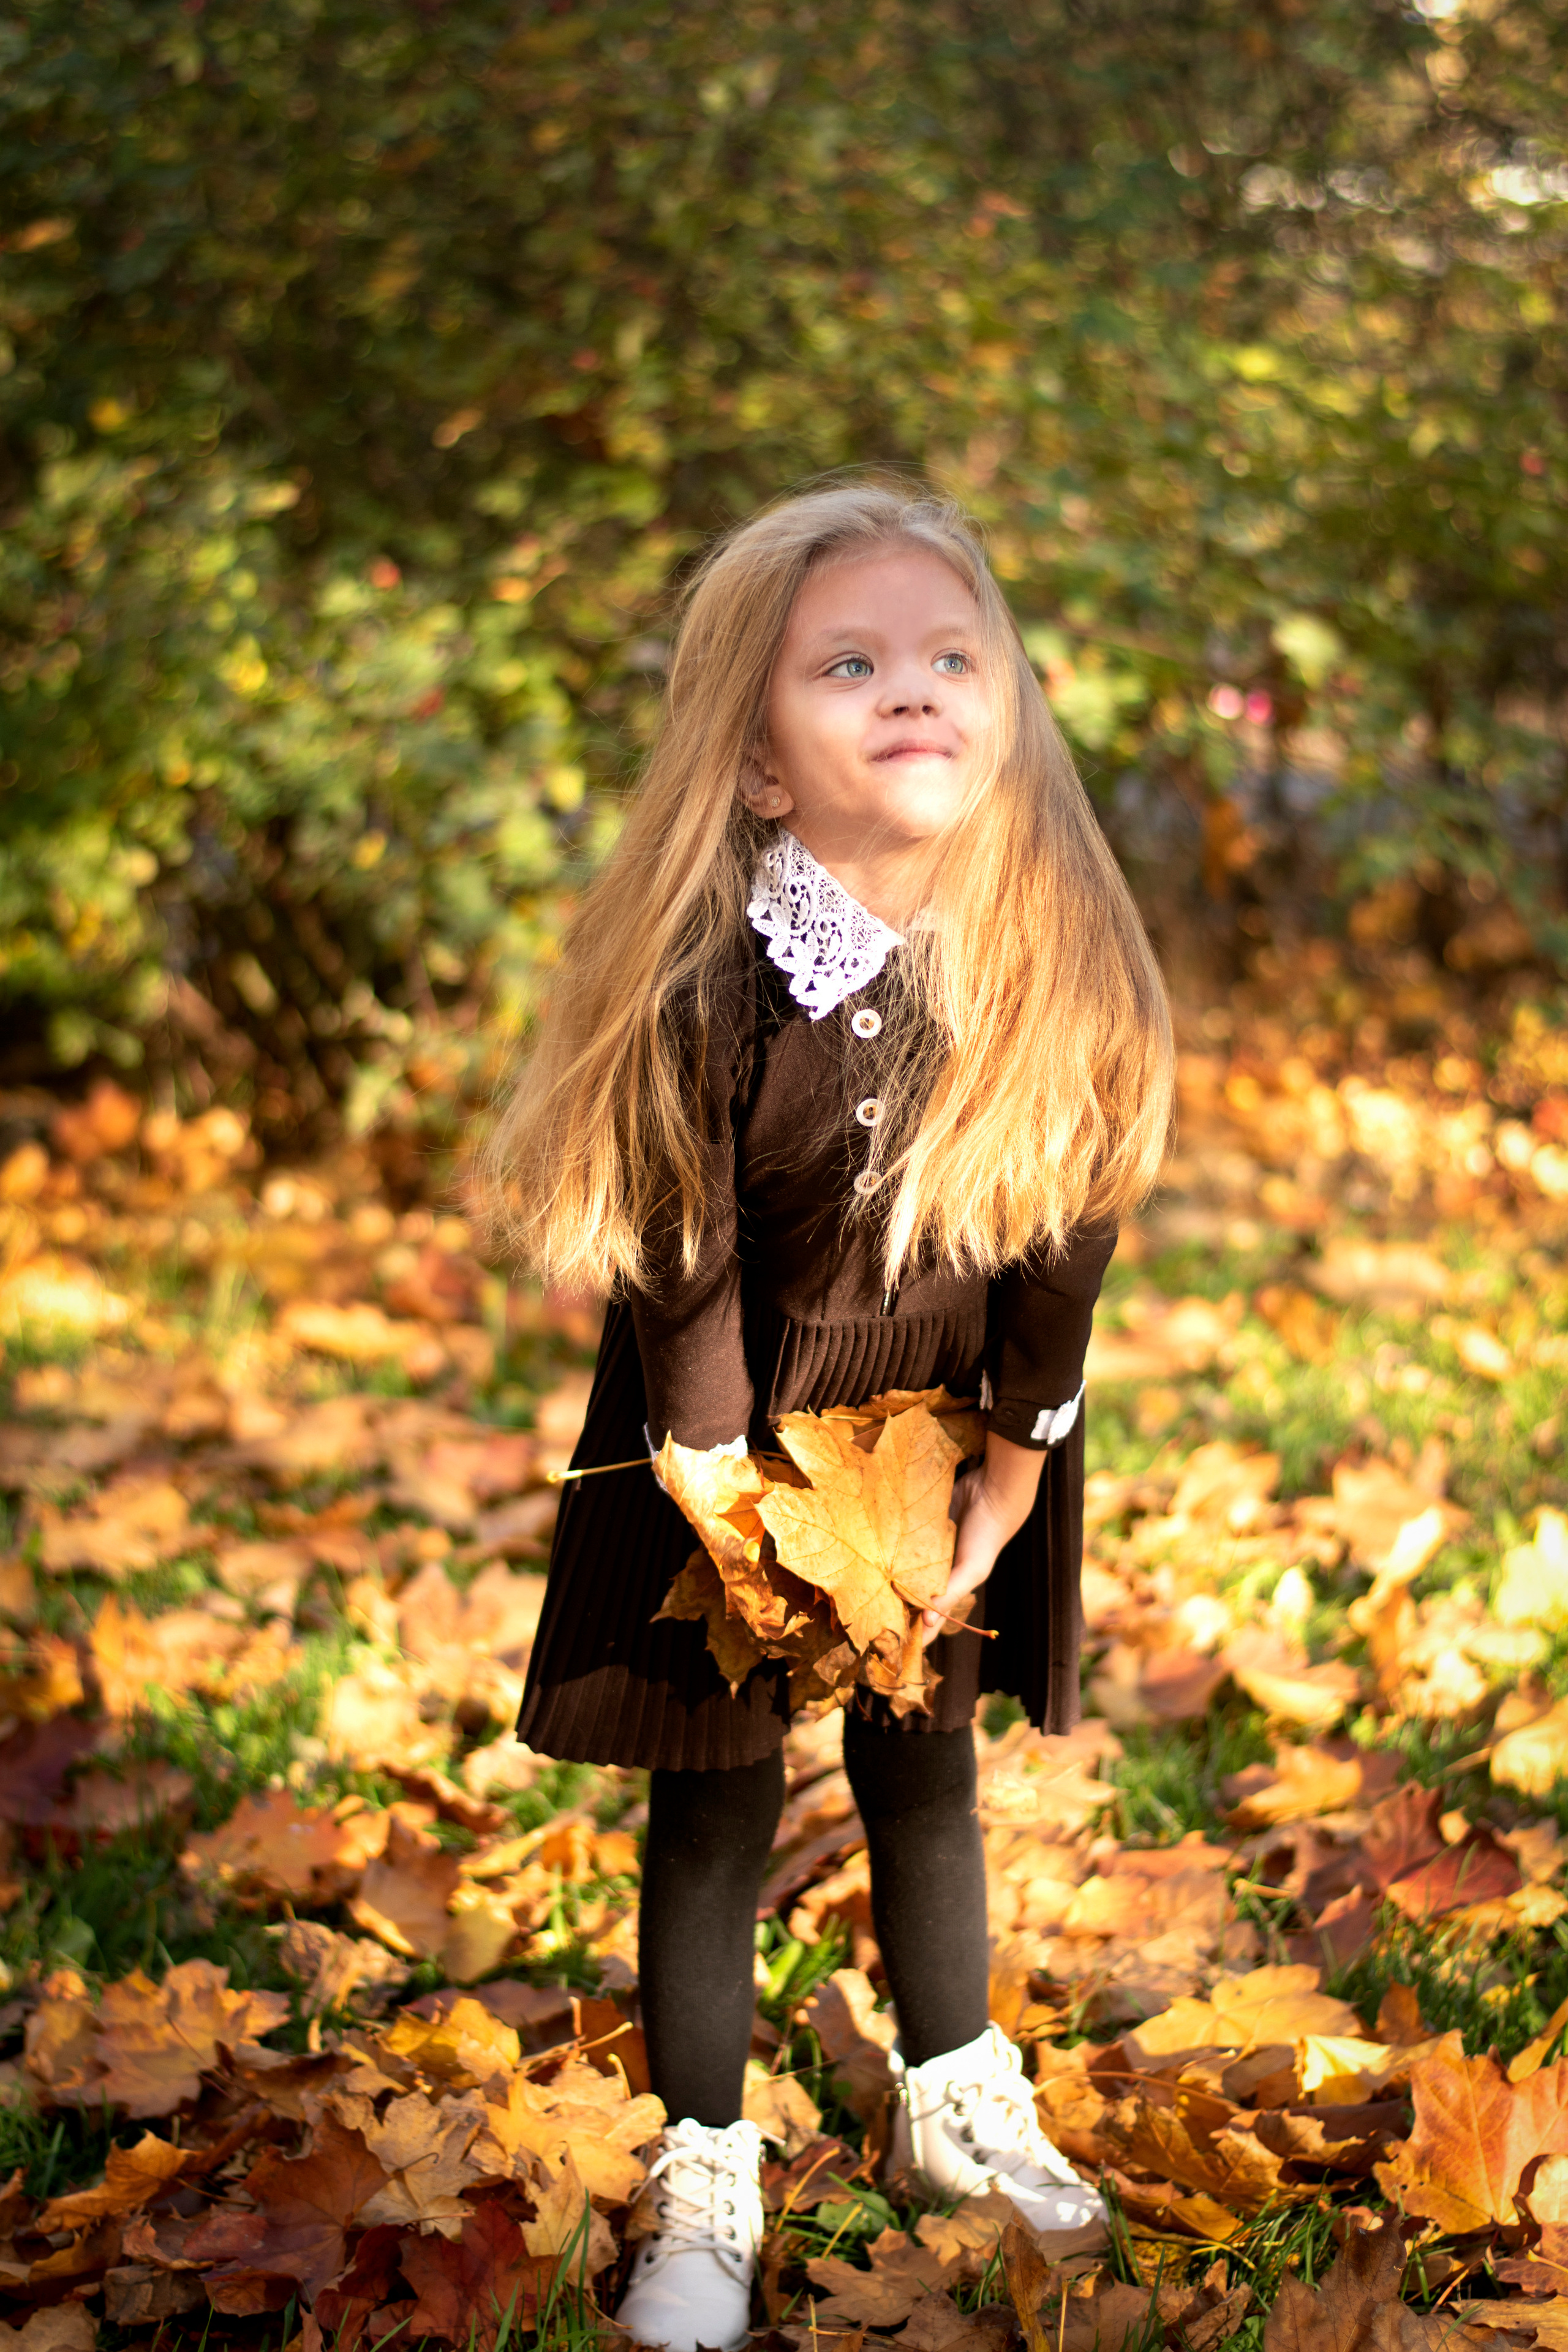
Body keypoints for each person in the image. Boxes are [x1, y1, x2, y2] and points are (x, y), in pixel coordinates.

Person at [480, 481, 1174, 2352]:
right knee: (713, 1804)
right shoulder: (719, 988)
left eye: (954, 660)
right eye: (850, 665)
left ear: (1009, 718)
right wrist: (712, 1474)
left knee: (922, 1759)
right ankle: (706, 2162)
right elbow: (679, 1254)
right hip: (723, 1433)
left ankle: (953, 2085)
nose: (912, 692)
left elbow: (1068, 1234)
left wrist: (1019, 1465)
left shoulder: (1048, 966)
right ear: (762, 764)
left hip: (945, 1436)